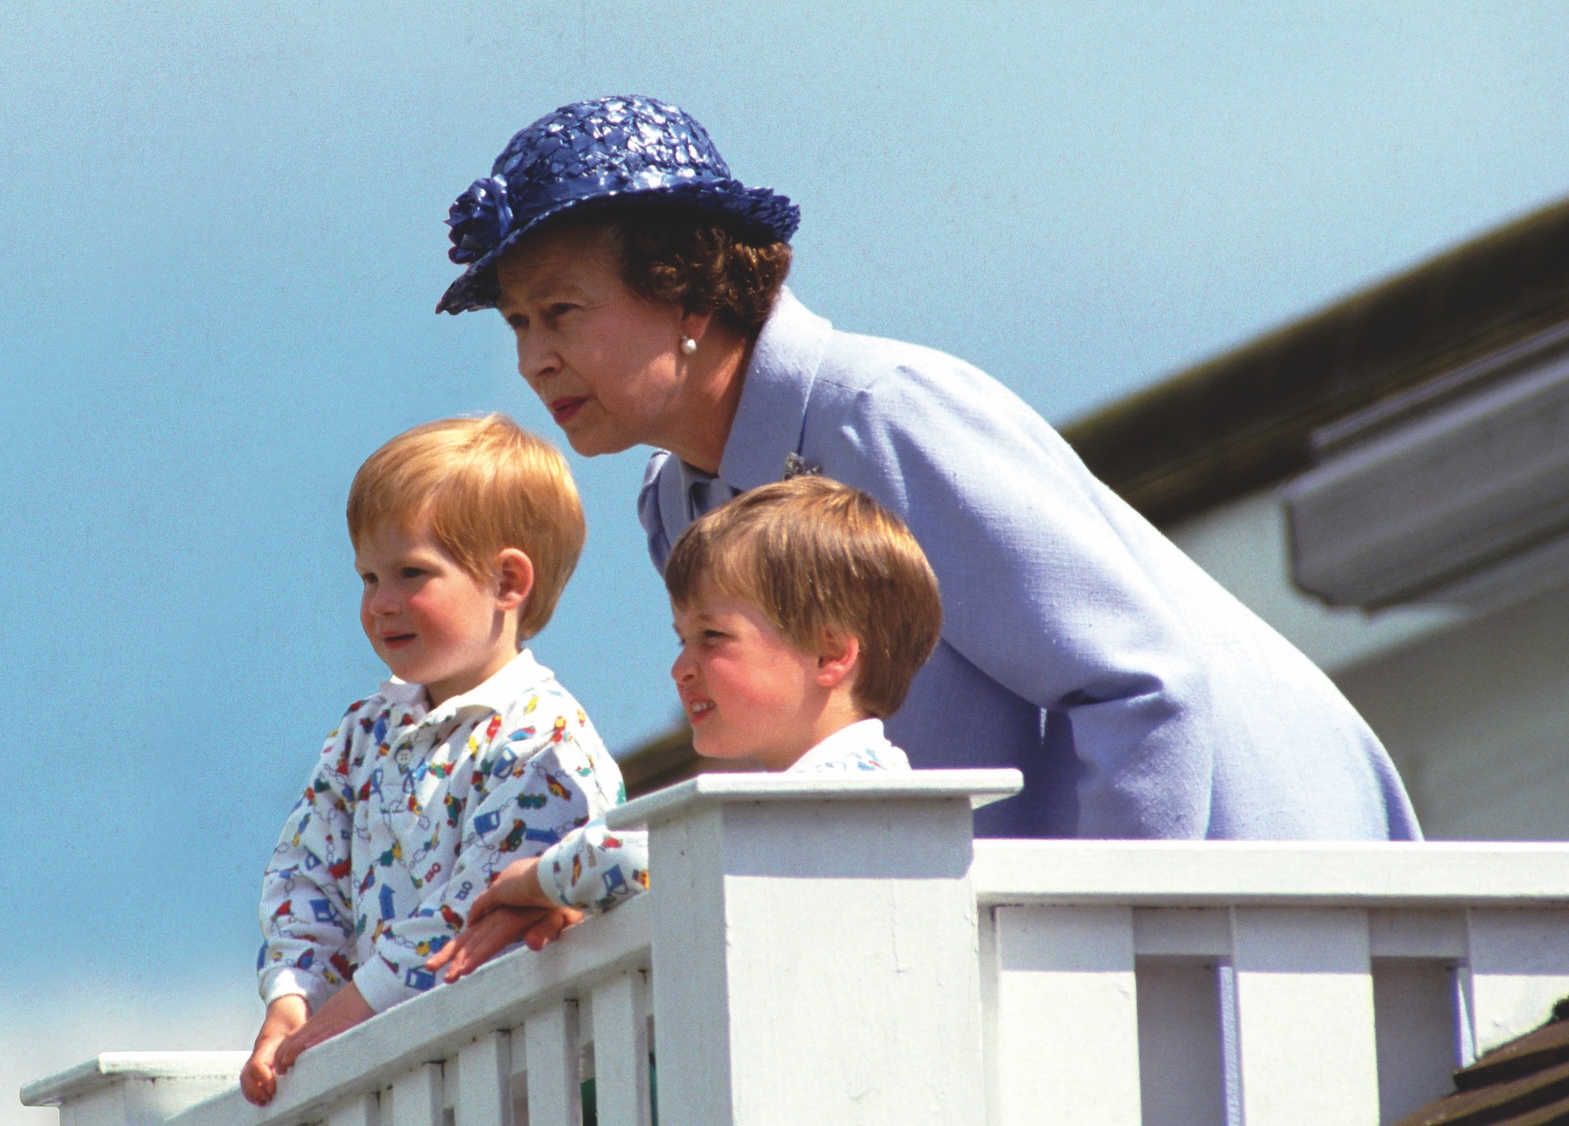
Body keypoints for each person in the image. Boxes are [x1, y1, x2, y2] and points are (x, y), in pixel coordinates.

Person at [433, 94, 1420, 843]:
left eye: (559, 311)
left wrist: (1086, 967)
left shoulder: (879, 412)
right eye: (518, 322)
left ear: (687, 289)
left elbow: (1139, 687)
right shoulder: (677, 500)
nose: (531, 359)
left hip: (1265, 893)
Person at [240, 415, 626, 1106]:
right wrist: (295, 995)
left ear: (509, 581)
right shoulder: (365, 732)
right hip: (396, 1077)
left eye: (411, 573)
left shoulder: (544, 739)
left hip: (520, 1077)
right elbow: (306, 866)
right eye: (367, 577)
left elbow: (480, 901)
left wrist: (351, 1010)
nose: (380, 604)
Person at [426, 474, 938, 981]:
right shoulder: (814, 799)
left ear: (830, 654)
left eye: (712, 637)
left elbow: (649, 852)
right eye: (681, 641)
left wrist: (536, 880)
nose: (681, 669)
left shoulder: (851, 790)